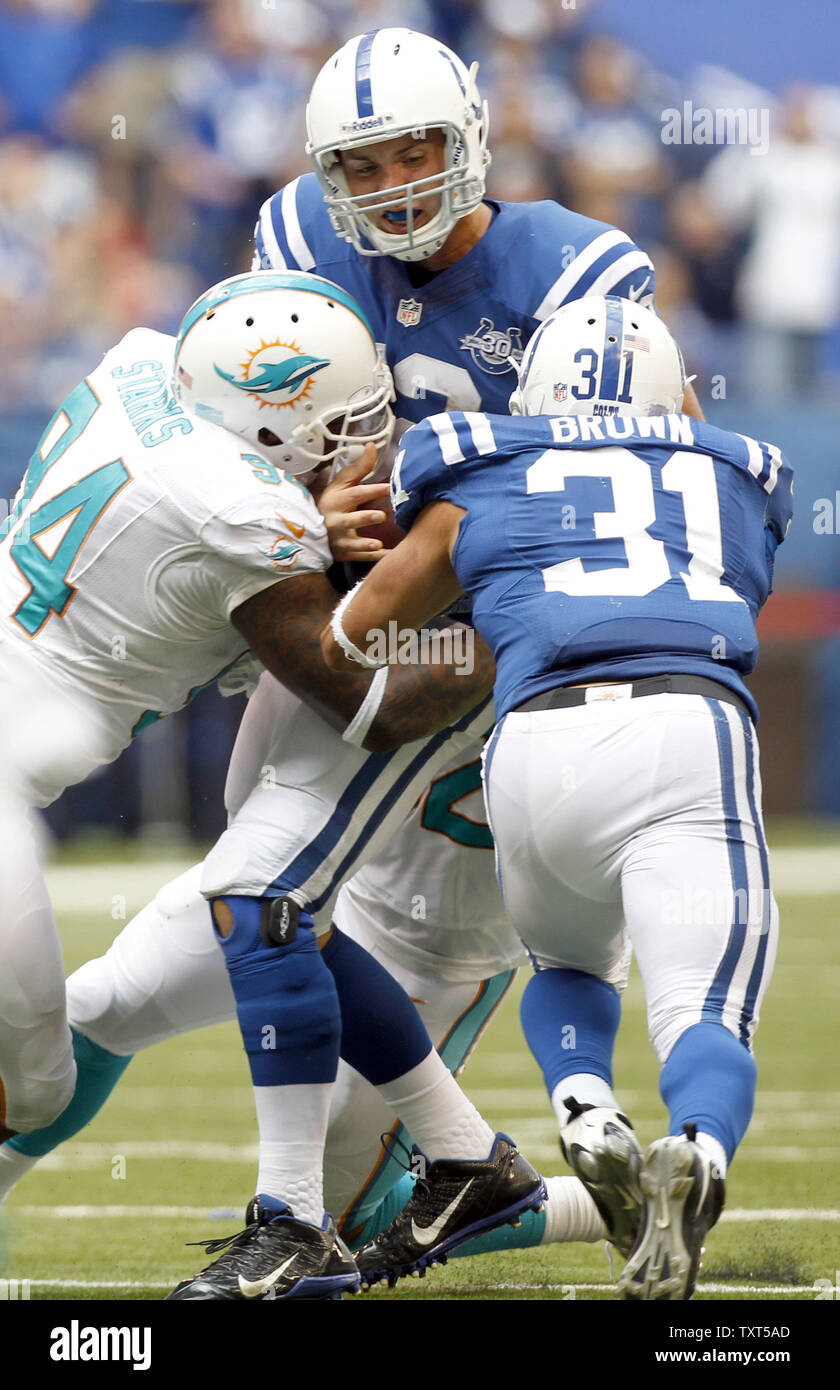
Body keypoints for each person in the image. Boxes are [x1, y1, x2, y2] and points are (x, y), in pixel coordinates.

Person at [1, 25, 701, 1295]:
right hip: (349, 657)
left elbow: (615, 475)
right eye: (359, 164)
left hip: (476, 695)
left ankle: (350, 1205)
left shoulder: (581, 272)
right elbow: (244, 434)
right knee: (133, 988)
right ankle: (466, 1172)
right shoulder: (295, 242)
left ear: (472, 137)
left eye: (415, 151)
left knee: (304, 1016)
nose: (388, 187)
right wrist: (308, 545)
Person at [0, 266, 533, 1300]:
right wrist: (510, 632)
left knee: (261, 912)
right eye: (340, 424)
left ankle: (455, 1164)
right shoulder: (243, 510)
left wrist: (301, 516)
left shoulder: (142, 365)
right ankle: (439, 1170)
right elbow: (362, 701)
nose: (361, 443)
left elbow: (198, 547)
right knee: (36, 1083)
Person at [322, 294, 792, 1299]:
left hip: (531, 742)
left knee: (569, 960)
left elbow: (363, 619)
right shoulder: (740, 468)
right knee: (703, 1007)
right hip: (683, 718)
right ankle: (700, 1151)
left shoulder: (472, 458)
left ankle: (583, 1107)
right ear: (679, 394)